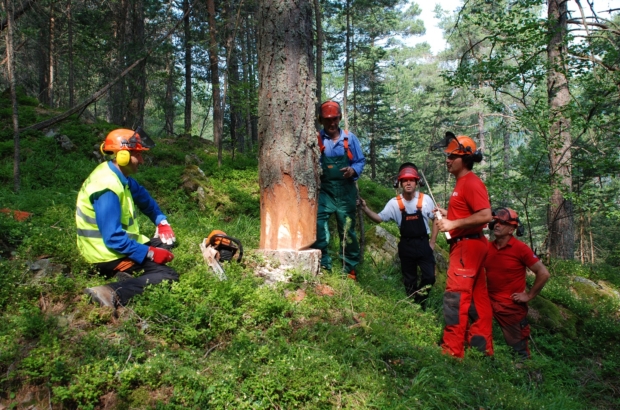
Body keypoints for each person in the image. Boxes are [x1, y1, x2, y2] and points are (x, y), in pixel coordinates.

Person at [76, 128, 179, 308]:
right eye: (137, 155)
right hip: (106, 256)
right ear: (122, 155)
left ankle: (128, 275)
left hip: (116, 247)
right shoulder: (107, 187)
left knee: (167, 243)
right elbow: (114, 239)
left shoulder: (119, 176)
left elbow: (144, 199)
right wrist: (151, 253)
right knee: (168, 275)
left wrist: (161, 222)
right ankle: (108, 292)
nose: (141, 160)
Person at [433, 132, 494, 358]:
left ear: (465, 159)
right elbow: (470, 215)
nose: (447, 161)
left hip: (466, 249)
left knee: (455, 298)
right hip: (471, 244)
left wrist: (453, 223)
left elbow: (486, 215)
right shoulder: (463, 183)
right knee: (478, 300)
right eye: (447, 156)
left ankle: (451, 351)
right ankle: (481, 350)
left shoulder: (471, 183)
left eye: (452, 157)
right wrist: (448, 215)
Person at [359, 163, 439, 306]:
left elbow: (436, 220)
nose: (408, 183)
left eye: (411, 180)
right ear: (400, 183)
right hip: (406, 245)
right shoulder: (394, 203)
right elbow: (379, 218)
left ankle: (421, 301)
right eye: (405, 180)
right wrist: (365, 209)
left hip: (423, 243)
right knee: (409, 280)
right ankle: (413, 307)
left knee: (430, 276)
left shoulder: (425, 199)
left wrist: (432, 242)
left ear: (417, 182)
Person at [485, 208, 550, 359]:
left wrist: (529, 295)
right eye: (496, 222)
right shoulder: (488, 247)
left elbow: (544, 273)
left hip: (510, 307)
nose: (497, 225)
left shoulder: (521, 249)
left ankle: (526, 375)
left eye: (503, 223)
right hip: (488, 302)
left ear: (512, 229)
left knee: (518, 349)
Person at [312, 101, 366, 280]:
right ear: (321, 120)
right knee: (319, 225)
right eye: (327, 120)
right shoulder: (316, 139)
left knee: (348, 229)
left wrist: (353, 170)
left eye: (334, 119)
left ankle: (349, 267)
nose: (331, 123)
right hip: (325, 191)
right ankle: (323, 263)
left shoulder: (350, 139)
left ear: (340, 118)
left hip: (346, 191)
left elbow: (360, 161)